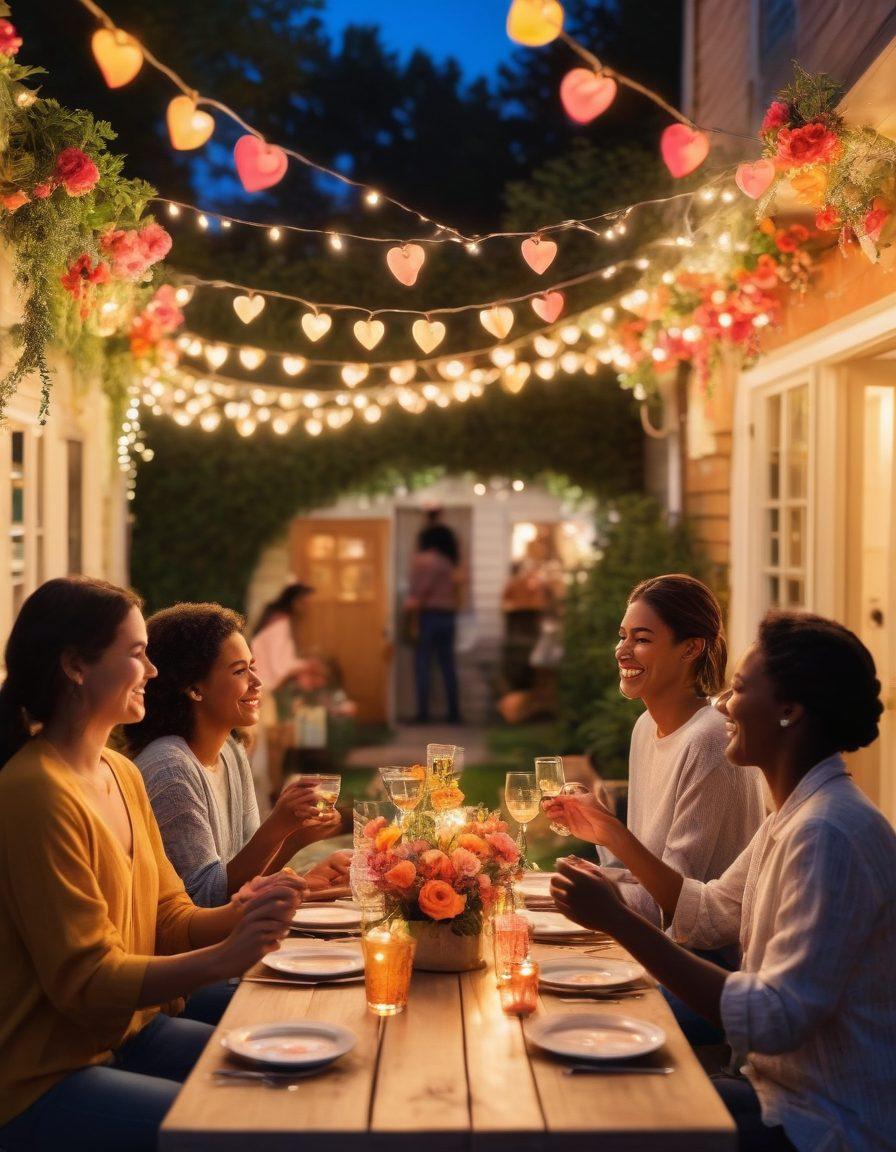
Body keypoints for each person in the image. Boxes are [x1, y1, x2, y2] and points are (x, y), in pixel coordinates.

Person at [550, 610, 895, 1151]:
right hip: (772, 1088)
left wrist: (618, 920)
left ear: (789, 711)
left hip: (822, 1121)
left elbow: (771, 1019)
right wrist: (612, 836)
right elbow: (709, 912)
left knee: (599, 1116)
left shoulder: (829, 833)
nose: (722, 705)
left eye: (737, 690)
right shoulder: (795, 814)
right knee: (586, 1082)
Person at [0, 578, 304, 1152]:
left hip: (132, 1031)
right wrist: (225, 956)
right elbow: (86, 984)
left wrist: (248, 910)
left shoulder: (122, 772)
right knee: (250, 1128)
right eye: (137, 654)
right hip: (44, 1077)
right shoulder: (35, 792)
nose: (154, 670)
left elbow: (170, 917)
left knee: (292, 1085)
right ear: (75, 666)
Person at [126, 602, 350, 912]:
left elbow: (247, 877)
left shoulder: (230, 750)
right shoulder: (170, 768)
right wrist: (278, 826)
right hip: (191, 952)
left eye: (252, 666)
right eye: (240, 671)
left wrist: (297, 837)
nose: (257, 683)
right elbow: (204, 900)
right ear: (194, 688)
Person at [405, 519, 463, 724]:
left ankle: (423, 713)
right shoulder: (448, 562)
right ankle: (454, 712)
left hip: (428, 615)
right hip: (448, 616)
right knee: (448, 665)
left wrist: (412, 612)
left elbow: (420, 592)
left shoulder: (423, 560)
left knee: (422, 664)